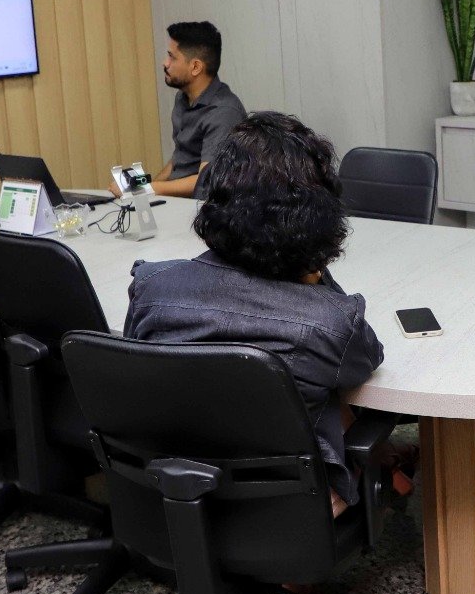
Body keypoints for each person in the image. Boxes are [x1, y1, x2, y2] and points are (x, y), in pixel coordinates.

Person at [123, 111, 382, 517]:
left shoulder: (152, 287)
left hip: (176, 491)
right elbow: (367, 359)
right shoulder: (329, 321)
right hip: (287, 507)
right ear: (317, 217)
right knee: (323, 392)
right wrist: (315, 272)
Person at [112, 21, 247, 199]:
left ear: (196, 67)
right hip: (177, 203)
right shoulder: (183, 98)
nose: (165, 63)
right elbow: (179, 160)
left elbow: (205, 181)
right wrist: (140, 189)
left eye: (172, 57)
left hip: (200, 211)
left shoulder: (223, 112)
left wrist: (143, 189)